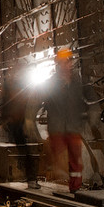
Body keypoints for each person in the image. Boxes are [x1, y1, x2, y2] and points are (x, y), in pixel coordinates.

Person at [44, 47, 87, 193]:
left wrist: (93, 115)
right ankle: (60, 175)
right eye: (62, 62)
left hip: (73, 127)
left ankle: (75, 187)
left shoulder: (77, 82)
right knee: (60, 158)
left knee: (76, 161)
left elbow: (89, 98)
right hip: (57, 128)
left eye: (67, 62)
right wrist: (30, 118)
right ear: (58, 64)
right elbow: (38, 100)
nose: (65, 65)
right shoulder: (50, 83)